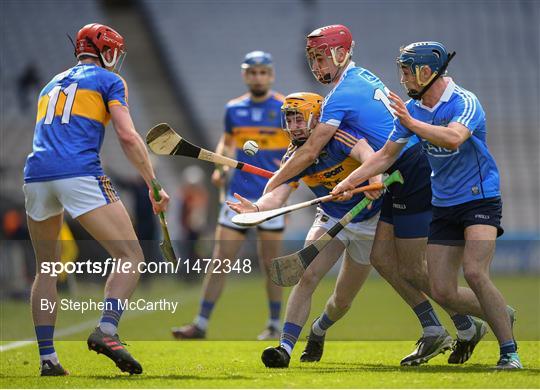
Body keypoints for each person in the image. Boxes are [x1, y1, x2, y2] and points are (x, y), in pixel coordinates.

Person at [264, 25, 483, 366]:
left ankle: (483, 317)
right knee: (390, 263)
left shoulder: (339, 98)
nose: (316, 66)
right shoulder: (360, 78)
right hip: (400, 171)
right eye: (312, 59)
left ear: (340, 54)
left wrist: (271, 184)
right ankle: (446, 327)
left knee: (412, 269)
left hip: (408, 170)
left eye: (321, 57)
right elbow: (310, 156)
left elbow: (313, 153)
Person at [333, 41, 521, 370]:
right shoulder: (413, 110)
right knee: (441, 289)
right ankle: (498, 311)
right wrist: (350, 182)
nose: (403, 79)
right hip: (444, 204)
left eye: (406, 72)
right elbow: (385, 155)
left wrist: (411, 122)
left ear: (425, 72)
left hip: (479, 198)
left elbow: (453, 138)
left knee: (475, 272)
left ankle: (509, 353)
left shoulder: (464, 101)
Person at [23, 23, 169, 376]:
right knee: (130, 254)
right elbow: (128, 136)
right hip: (79, 173)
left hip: (36, 175)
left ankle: (48, 359)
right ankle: (107, 330)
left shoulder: (49, 85)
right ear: (105, 51)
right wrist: (154, 184)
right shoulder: (109, 81)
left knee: (47, 268)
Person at [227, 92, 383, 368]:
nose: (295, 125)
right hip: (331, 219)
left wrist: (366, 178)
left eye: (301, 118)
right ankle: (285, 348)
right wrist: (259, 209)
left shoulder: (339, 136)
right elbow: (278, 193)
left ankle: (320, 328)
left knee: (342, 302)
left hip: (367, 221)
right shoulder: (295, 155)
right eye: (290, 119)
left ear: (317, 119)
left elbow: (367, 154)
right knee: (307, 275)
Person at [171, 51, 289, 341]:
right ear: (245, 75)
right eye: (252, 72)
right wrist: (220, 164)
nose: (258, 77)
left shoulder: (285, 107)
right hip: (238, 195)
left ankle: (274, 324)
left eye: (263, 72)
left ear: (270, 75)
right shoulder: (233, 109)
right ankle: (199, 323)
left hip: (271, 198)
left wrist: (289, 180)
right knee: (220, 259)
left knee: (270, 264)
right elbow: (226, 142)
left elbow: (296, 147)